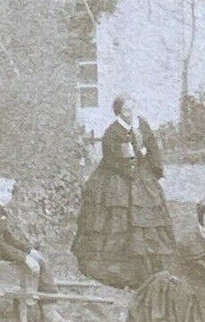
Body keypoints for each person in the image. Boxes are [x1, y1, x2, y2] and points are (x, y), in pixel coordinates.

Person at [72, 95, 176, 287]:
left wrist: (156, 170)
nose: (130, 113)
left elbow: (152, 146)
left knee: (148, 217)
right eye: (126, 110)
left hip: (142, 173)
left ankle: (151, 263)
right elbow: (118, 161)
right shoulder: (113, 132)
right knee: (119, 216)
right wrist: (136, 166)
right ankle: (120, 268)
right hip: (118, 176)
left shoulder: (141, 123)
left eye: (132, 109)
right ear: (119, 112)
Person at [0, 176, 80, 322]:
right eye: (2, 190)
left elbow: (7, 237)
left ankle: (49, 308)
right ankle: (49, 313)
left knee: (40, 260)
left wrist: (30, 251)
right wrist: (24, 258)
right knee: (30, 265)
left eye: (9, 191)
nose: (7, 194)